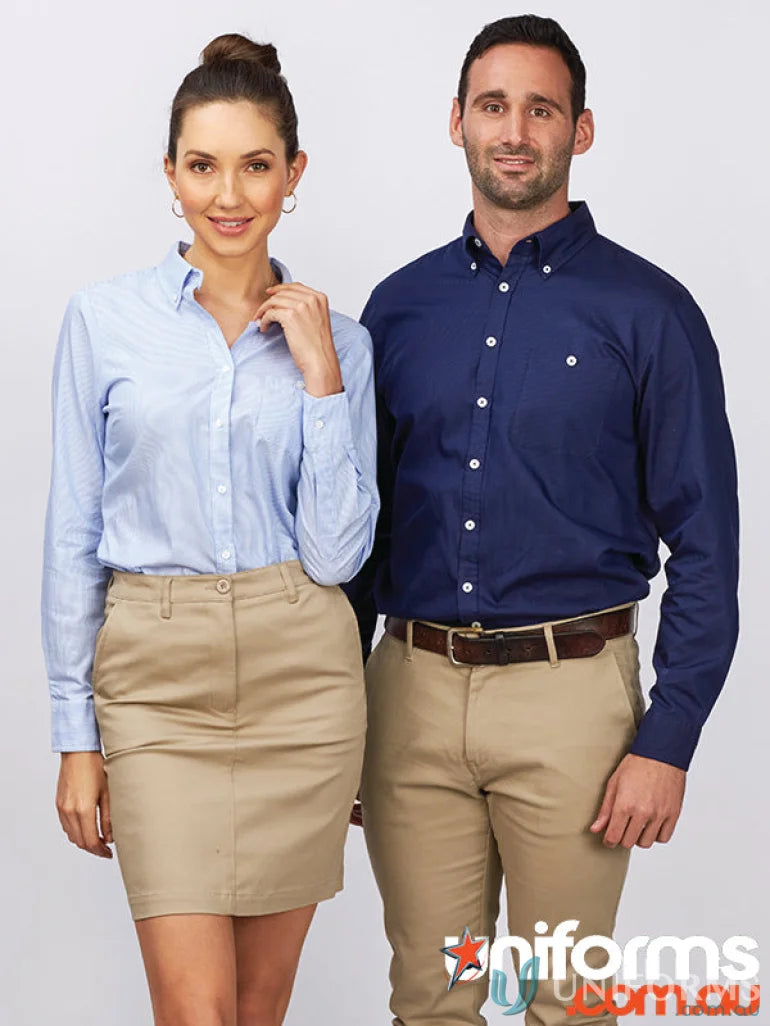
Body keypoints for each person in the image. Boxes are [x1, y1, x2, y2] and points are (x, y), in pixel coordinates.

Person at [342, 14, 739, 1026]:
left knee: (566, 1002)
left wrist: (668, 739)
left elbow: (706, 542)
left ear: (580, 129)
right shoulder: (397, 310)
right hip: (409, 698)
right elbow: (357, 537)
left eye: (540, 109)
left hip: (572, 704)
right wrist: (337, 720)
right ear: (457, 122)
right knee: (431, 997)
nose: (514, 131)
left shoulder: (649, 312)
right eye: (493, 106)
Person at [41, 32, 378, 1026]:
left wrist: (321, 378)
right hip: (157, 690)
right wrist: (75, 735)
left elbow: (337, 555)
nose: (228, 196)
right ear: (170, 175)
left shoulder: (343, 343)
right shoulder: (103, 322)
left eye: (255, 166)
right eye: (202, 166)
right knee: (196, 1011)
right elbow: (73, 534)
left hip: (302, 687)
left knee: (258, 1010)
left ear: (293, 175)